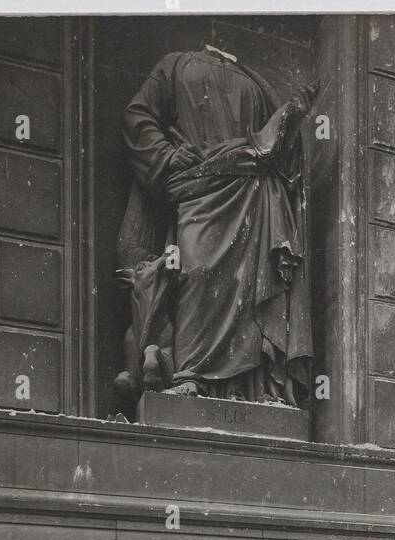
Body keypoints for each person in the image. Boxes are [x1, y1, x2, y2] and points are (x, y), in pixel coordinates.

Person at [115, 46, 316, 408]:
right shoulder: (175, 64)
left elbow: (282, 152)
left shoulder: (256, 82)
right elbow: (137, 116)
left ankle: (257, 390)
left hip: (255, 192)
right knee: (197, 271)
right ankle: (191, 375)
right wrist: (165, 155)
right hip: (201, 186)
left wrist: (291, 120)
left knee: (252, 284)